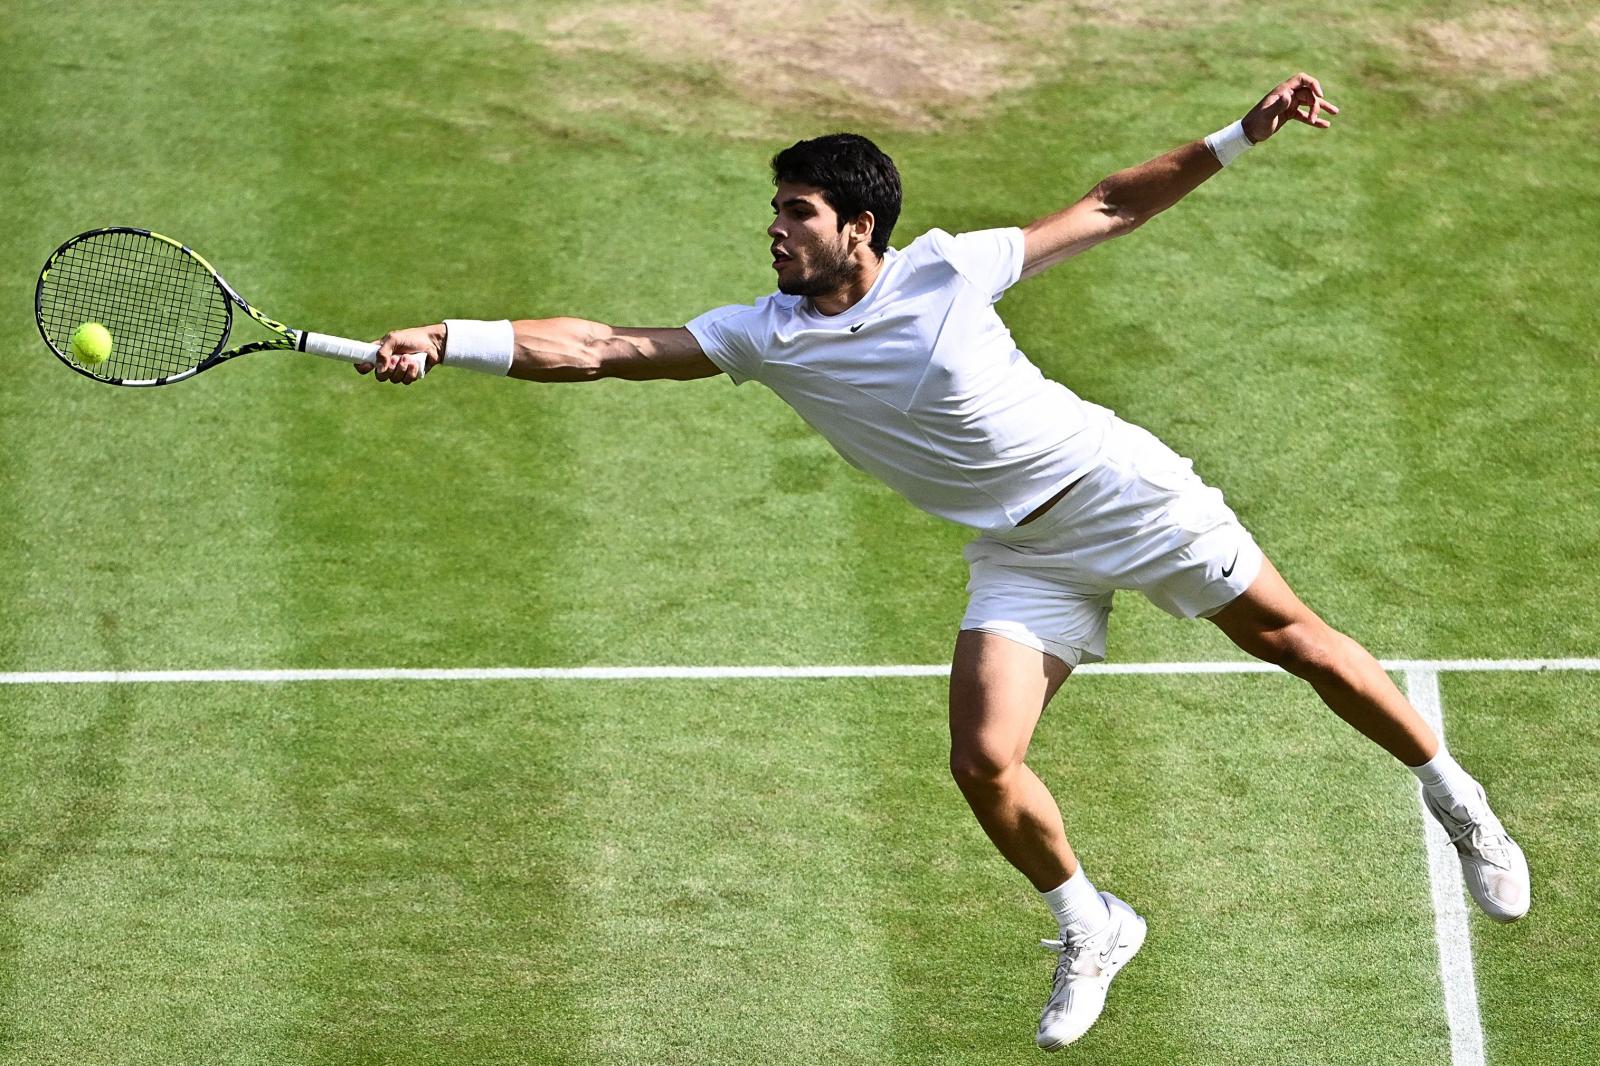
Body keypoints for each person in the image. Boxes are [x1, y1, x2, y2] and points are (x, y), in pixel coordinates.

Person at [362, 74, 1530, 1051]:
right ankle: (1092, 920)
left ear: (856, 227)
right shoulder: (762, 336)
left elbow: (1114, 204)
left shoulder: (945, 269)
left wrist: (1239, 134)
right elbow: (603, 348)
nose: (775, 228)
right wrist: (445, 336)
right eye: (775, 209)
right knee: (982, 758)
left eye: (797, 211)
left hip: (1118, 494)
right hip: (1018, 549)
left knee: (1299, 646)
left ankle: (1456, 796)